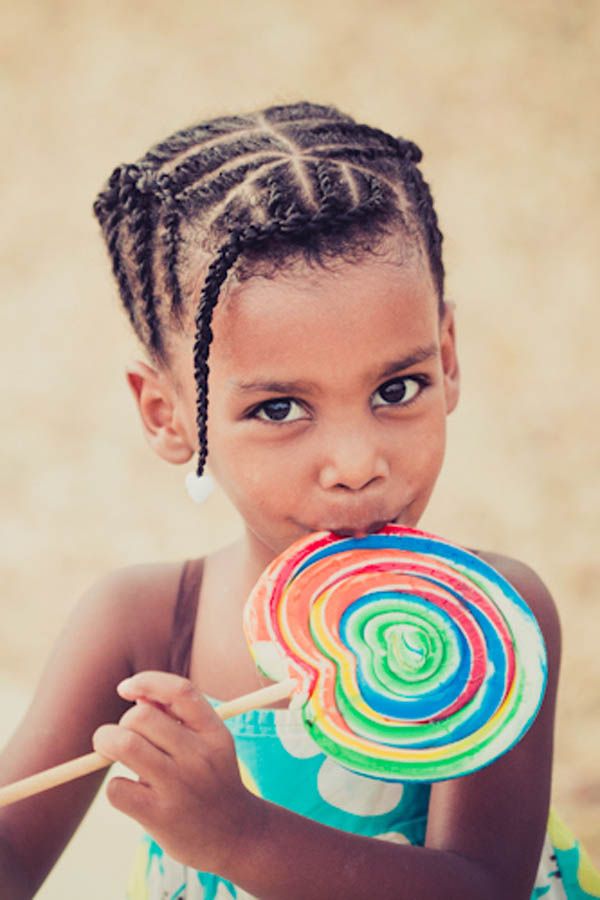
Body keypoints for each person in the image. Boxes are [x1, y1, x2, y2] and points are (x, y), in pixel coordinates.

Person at [0, 101, 597, 900]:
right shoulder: (142, 624)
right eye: (279, 408)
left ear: (447, 359)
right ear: (167, 414)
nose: (356, 464)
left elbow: (483, 885)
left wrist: (241, 835)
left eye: (397, 387)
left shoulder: (490, 622)